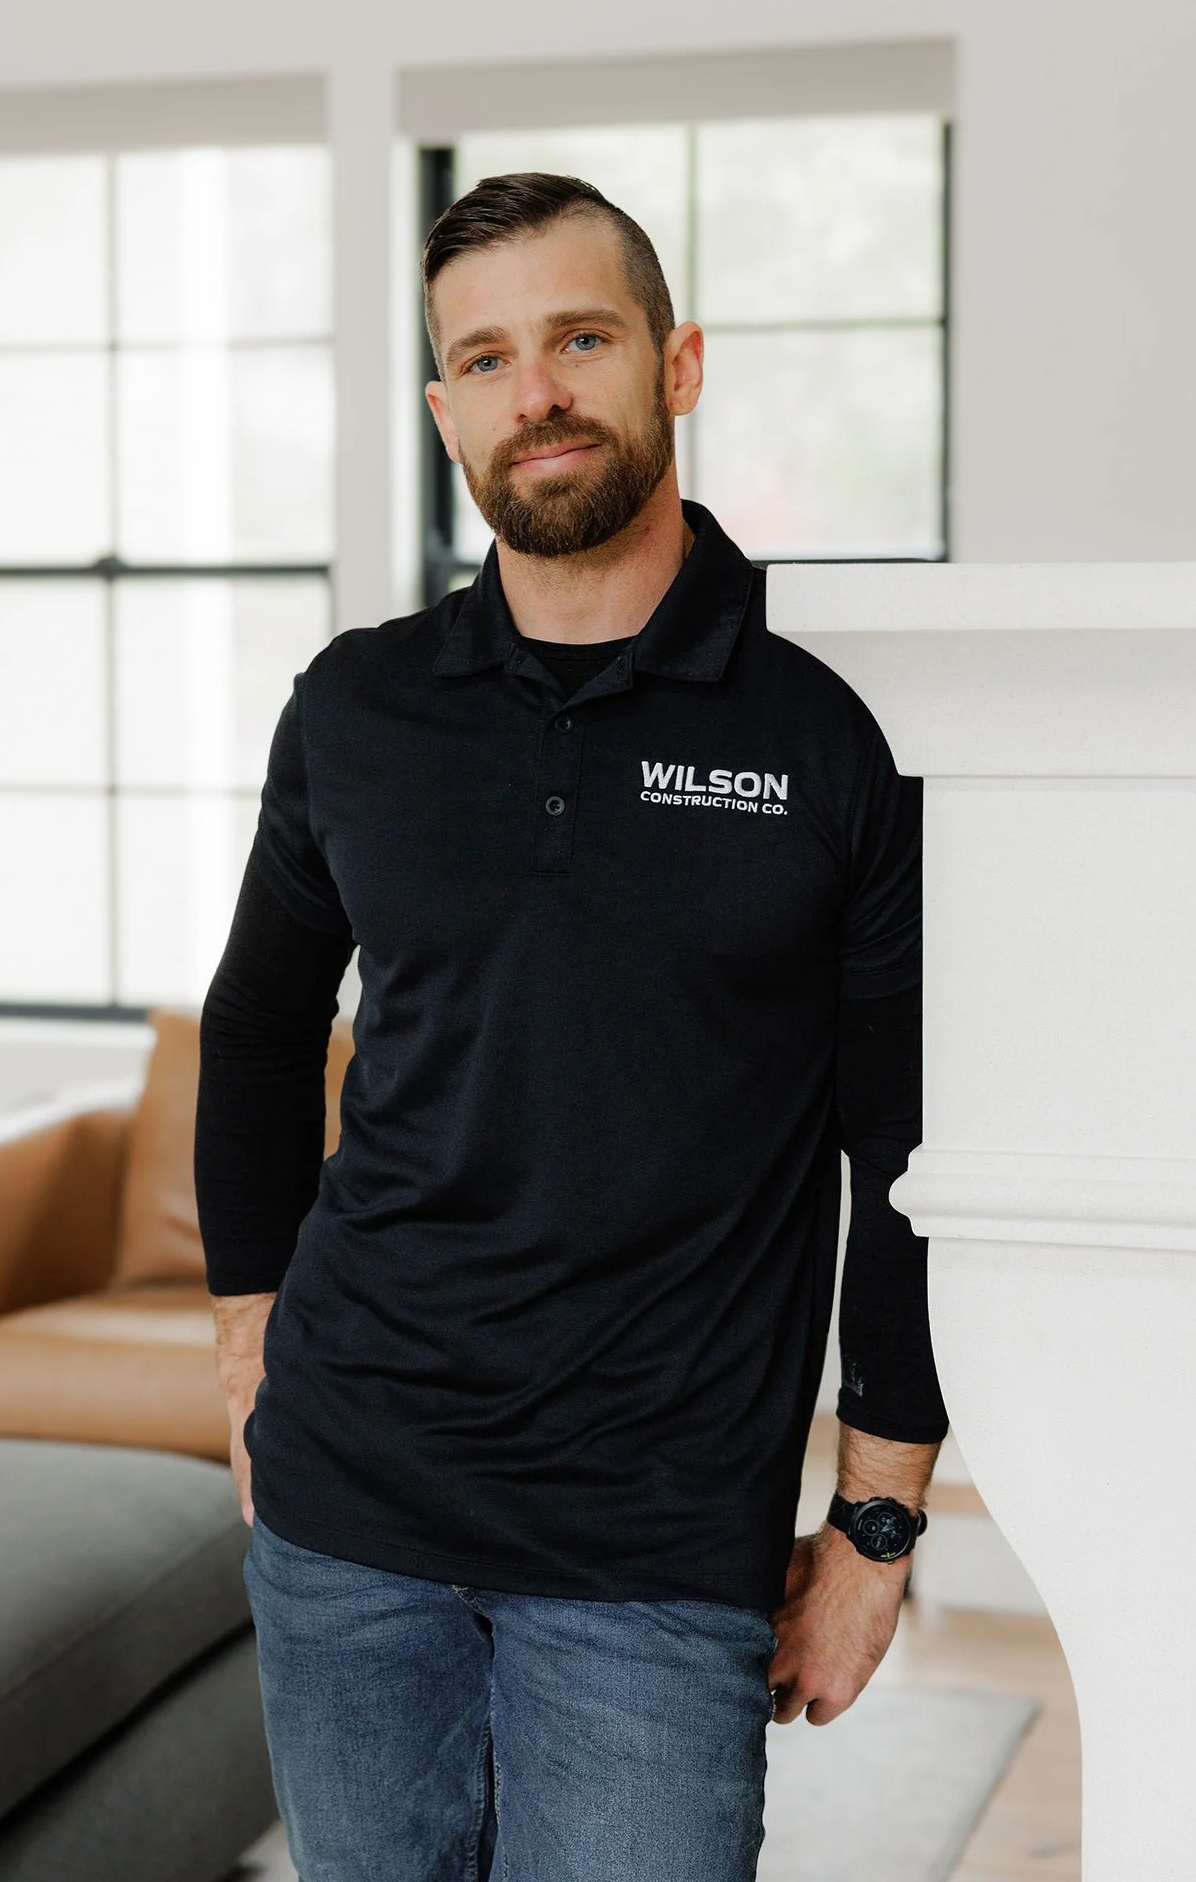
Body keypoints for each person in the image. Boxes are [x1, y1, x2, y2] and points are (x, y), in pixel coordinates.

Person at [195, 171, 948, 1882]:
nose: (534, 391)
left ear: (676, 365)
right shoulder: (358, 709)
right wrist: (251, 1348)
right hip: (344, 1523)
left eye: (580, 338)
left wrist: (876, 1524)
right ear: (447, 406)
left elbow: (903, 1151)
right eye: (485, 355)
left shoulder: (833, 745)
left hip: (656, 1555)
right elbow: (256, 1031)